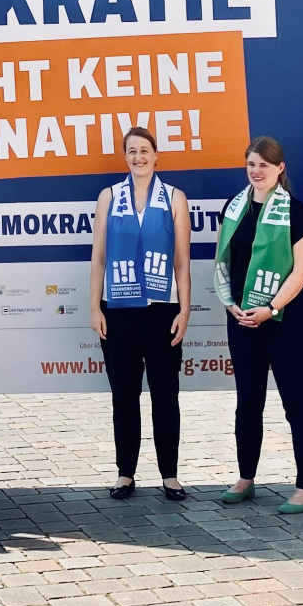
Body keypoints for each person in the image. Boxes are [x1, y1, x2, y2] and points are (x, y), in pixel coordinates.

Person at [213, 137, 303, 514]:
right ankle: (246, 478)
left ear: (280, 169)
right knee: (248, 403)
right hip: (242, 319)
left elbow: (302, 269)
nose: (256, 171)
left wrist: (271, 308)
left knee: (295, 403)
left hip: (282, 319)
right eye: (251, 164)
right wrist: (230, 304)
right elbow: (223, 261)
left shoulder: (295, 210)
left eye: (264, 165)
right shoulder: (234, 208)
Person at [89, 127, 192, 501]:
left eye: (144, 150)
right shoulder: (109, 197)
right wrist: (93, 306)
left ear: (156, 155)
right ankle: (125, 473)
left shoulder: (175, 198)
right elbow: (98, 256)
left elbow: (182, 261)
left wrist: (184, 309)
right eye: (131, 151)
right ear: (125, 156)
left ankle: (170, 475)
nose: (138, 157)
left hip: (162, 311)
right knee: (125, 396)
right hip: (119, 311)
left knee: (166, 394)